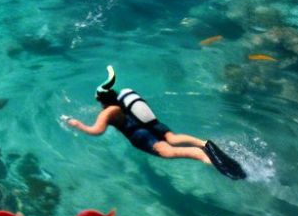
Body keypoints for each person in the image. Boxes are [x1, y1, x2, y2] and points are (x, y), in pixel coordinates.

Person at [64, 67, 247, 179]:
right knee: (173, 139)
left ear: (102, 100)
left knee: (168, 152)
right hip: (153, 125)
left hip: (141, 136)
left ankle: (205, 157)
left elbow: (96, 130)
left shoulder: (109, 111)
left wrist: (77, 124)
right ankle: (203, 143)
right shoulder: (121, 104)